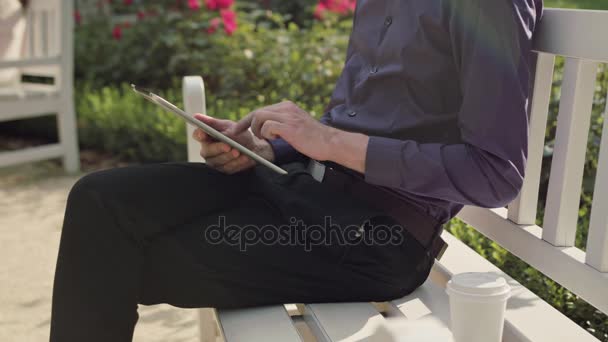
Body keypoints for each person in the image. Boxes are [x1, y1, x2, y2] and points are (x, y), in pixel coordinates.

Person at [50, 0, 543, 341]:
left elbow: (496, 172)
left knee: (110, 263)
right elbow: (354, 123)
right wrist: (267, 146)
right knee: (98, 200)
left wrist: (328, 141)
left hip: (373, 237)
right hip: (305, 187)